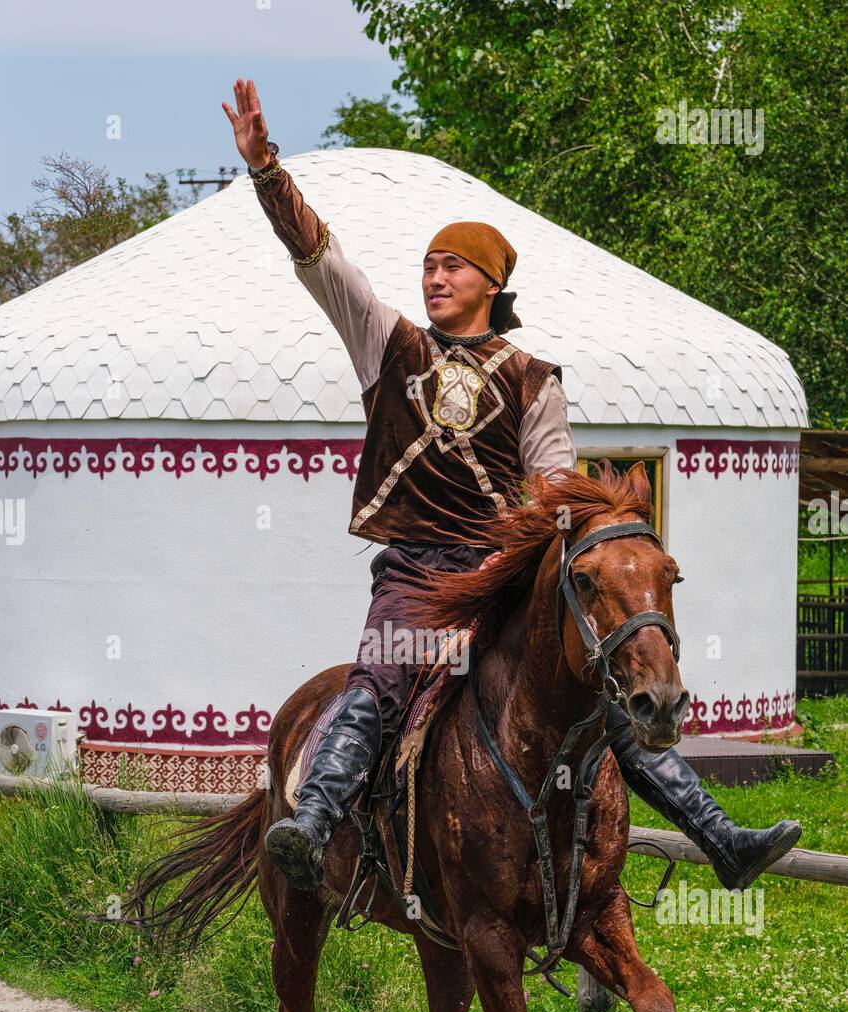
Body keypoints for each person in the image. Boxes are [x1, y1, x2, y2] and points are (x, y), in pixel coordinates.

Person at [223, 77, 801, 895]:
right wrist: (266, 170)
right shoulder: (388, 343)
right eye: (428, 267)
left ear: (489, 283)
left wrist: (523, 566)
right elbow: (323, 262)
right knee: (378, 680)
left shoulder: (534, 379)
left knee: (597, 694)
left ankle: (722, 838)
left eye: (451, 266)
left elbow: (555, 492)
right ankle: (311, 826)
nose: (434, 278)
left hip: (496, 577)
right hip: (414, 576)